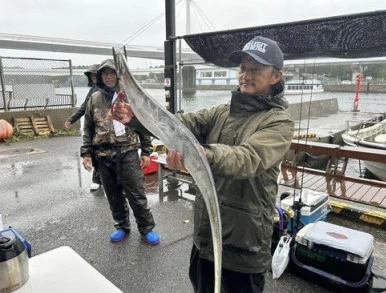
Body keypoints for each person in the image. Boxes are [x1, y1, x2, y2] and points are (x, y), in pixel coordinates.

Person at [113, 36, 294, 292]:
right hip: (205, 238)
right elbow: (178, 125)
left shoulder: (279, 122)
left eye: (256, 69)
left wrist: (199, 154)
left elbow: (248, 158)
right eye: (243, 68)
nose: (246, 75)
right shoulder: (221, 112)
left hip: (244, 247)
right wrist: (137, 118)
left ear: (276, 76)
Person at [80, 58, 160, 245]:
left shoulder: (129, 97)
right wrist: (86, 154)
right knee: (114, 196)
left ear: (118, 75)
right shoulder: (94, 99)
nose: (108, 76)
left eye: (112, 73)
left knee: (137, 195)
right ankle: (121, 226)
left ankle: (146, 228)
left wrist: (146, 152)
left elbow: (143, 125)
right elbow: (88, 129)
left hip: (128, 152)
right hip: (103, 156)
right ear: (99, 77)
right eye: (104, 73)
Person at [65, 63, 102, 191]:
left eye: (95, 76)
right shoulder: (92, 91)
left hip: (111, 129)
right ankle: (97, 179)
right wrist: (72, 119)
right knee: (96, 152)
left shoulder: (113, 89)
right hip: (95, 127)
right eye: (91, 76)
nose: (94, 78)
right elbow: (83, 107)